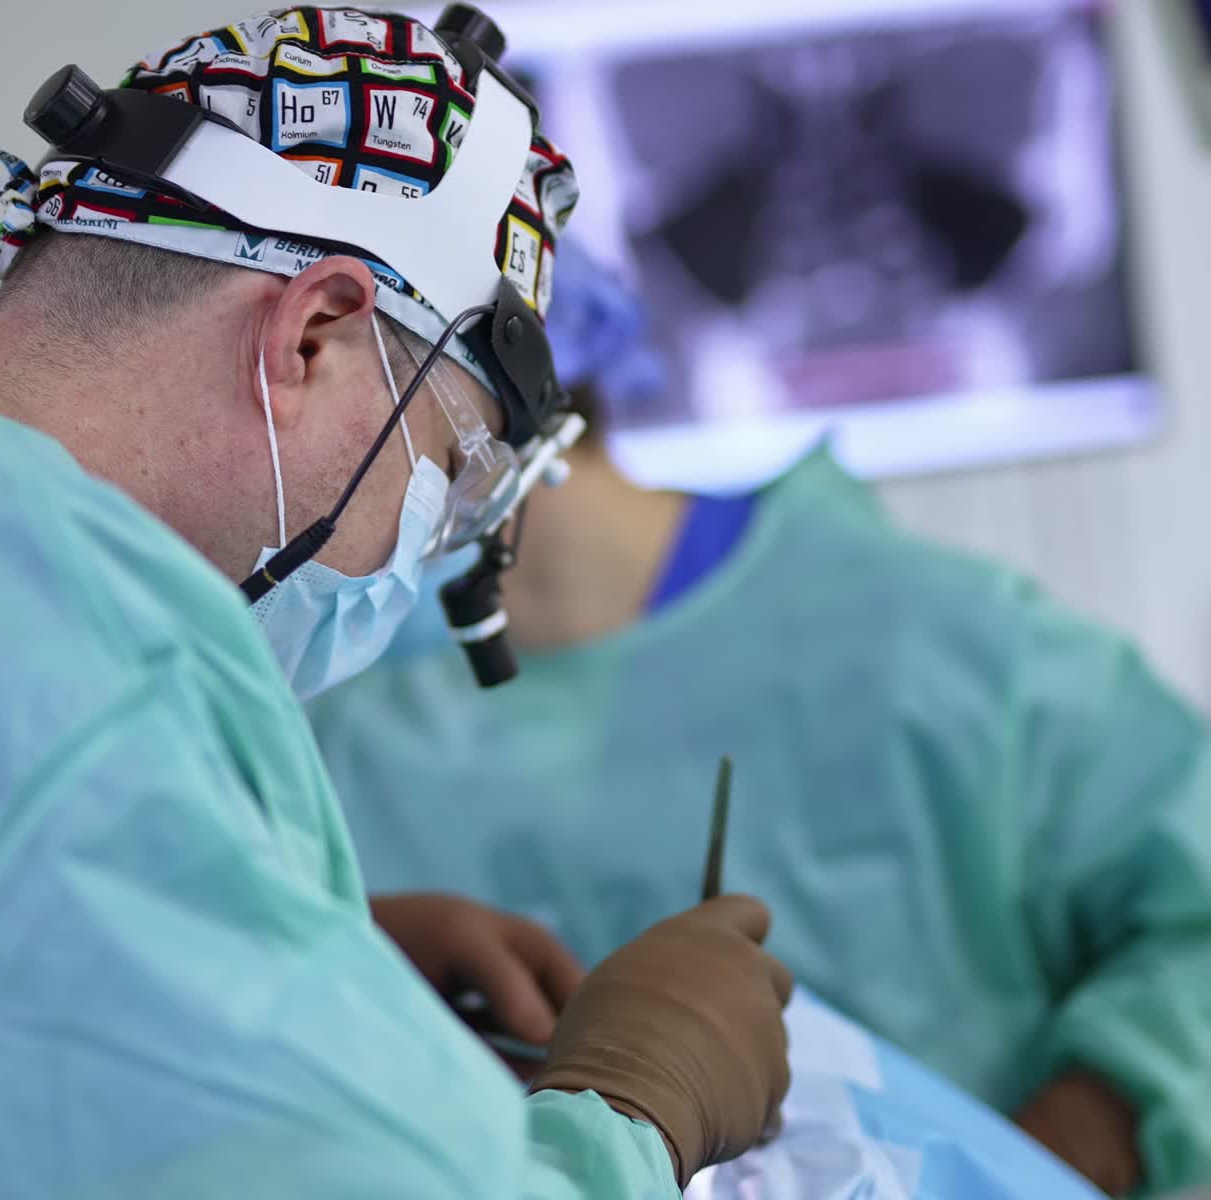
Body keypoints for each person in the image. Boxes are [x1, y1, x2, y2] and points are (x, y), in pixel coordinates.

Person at [0, 6, 797, 1198]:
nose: (426, 550)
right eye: (453, 476)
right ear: (314, 336)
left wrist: (250, 944)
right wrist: (635, 1107)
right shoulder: (91, 686)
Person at [309, 239, 1211, 1198]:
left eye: (315, 364)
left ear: (508, 395)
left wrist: (1048, 1158)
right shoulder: (321, 713)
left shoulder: (939, 644)